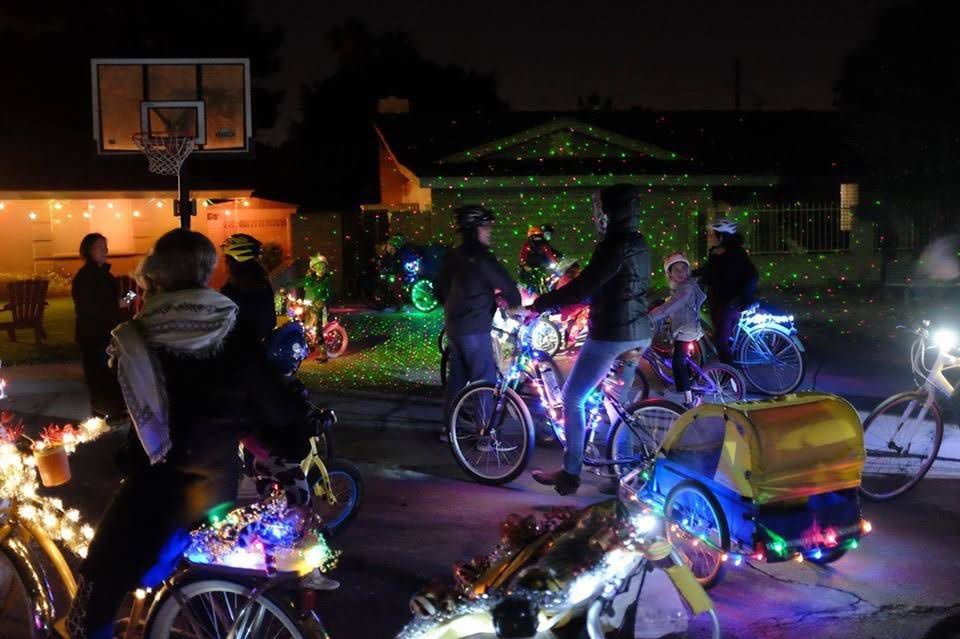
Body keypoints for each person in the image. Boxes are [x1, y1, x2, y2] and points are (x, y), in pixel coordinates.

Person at [67, 229, 308, 639]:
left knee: (96, 586)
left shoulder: (135, 337)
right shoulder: (231, 325)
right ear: (207, 271)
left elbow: (113, 402)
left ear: (156, 275)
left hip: (157, 490)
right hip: (218, 485)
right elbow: (268, 406)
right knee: (166, 563)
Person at [529, 184, 651, 496]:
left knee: (573, 397)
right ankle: (624, 474)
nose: (597, 216)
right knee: (617, 404)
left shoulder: (613, 246)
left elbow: (583, 287)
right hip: (639, 333)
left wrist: (540, 304)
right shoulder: (638, 242)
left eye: (600, 210)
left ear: (611, 214)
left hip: (612, 333)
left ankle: (571, 473)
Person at [435, 205, 522, 440]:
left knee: (458, 379)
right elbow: (508, 285)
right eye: (485, 227)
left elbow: (439, 290)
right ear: (474, 230)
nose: (489, 231)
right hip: (474, 329)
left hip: (454, 327)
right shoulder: (482, 258)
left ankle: (449, 430)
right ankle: (484, 434)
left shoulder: (453, 256)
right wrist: (514, 303)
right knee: (485, 380)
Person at [71, 233, 128, 420]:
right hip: (94, 335)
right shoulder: (85, 277)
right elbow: (89, 308)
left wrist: (131, 294)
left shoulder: (105, 273)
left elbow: (117, 301)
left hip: (108, 333)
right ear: (87, 250)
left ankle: (111, 412)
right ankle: (102, 415)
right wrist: (117, 305)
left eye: (105, 246)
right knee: (99, 376)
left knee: (110, 375)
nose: (105, 250)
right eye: (99, 247)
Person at [695, 219, 758, 365]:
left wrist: (743, 297)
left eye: (712, 234)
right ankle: (732, 365)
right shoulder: (718, 252)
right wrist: (690, 274)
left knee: (720, 342)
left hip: (729, 303)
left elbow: (752, 275)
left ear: (722, 236)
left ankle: (731, 378)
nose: (709, 237)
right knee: (723, 338)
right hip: (719, 301)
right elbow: (709, 271)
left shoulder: (735, 254)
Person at [648, 253, 707, 408]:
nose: (681, 273)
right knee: (681, 358)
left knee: (677, 362)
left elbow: (672, 306)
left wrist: (651, 317)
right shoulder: (679, 287)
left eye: (684, 269)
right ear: (670, 273)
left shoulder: (686, 288)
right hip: (683, 328)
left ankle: (688, 399)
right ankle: (691, 383)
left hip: (686, 330)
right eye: (677, 270)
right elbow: (671, 302)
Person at [220, 233, 276, 348]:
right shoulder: (263, 284)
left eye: (226, 259)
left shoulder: (230, 290)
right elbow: (270, 322)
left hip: (234, 354)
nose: (224, 263)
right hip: (257, 352)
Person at [518, 224, 564, 294]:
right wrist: (524, 264)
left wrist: (556, 260)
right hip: (531, 269)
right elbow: (523, 254)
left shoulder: (542, 245)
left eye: (549, 234)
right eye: (546, 233)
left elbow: (550, 253)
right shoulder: (539, 244)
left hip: (539, 268)